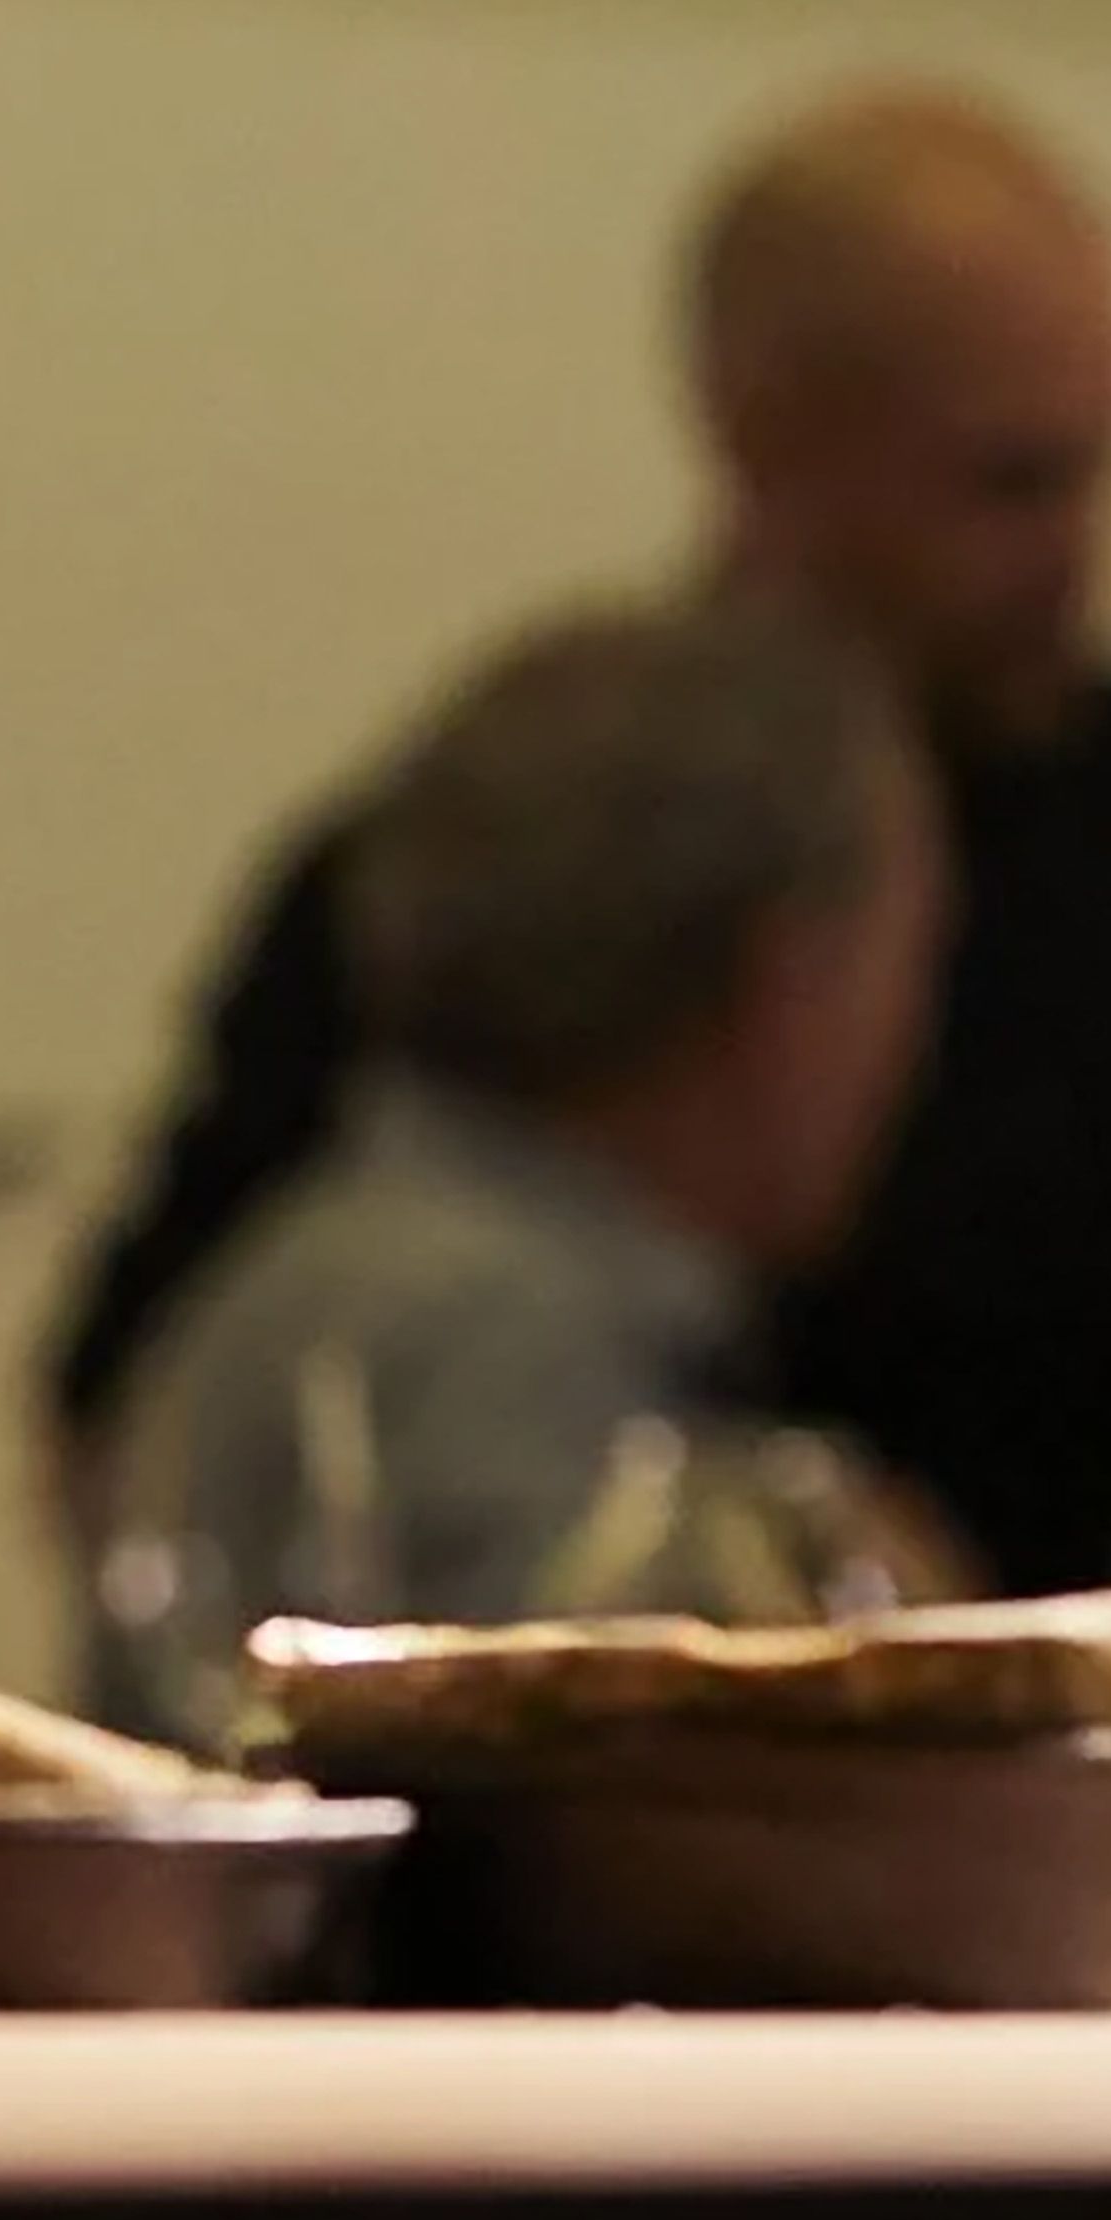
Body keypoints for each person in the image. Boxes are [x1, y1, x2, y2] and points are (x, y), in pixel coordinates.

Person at [52, 85, 1111, 1601]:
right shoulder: (476, 843)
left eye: (1100, 466)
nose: (1079, 549)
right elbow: (135, 1415)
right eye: (1008, 480)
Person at [86, 601, 967, 1743]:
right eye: (912, 959)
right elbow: (593, 1866)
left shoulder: (313, 1277)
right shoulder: (504, 1353)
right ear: (789, 985)